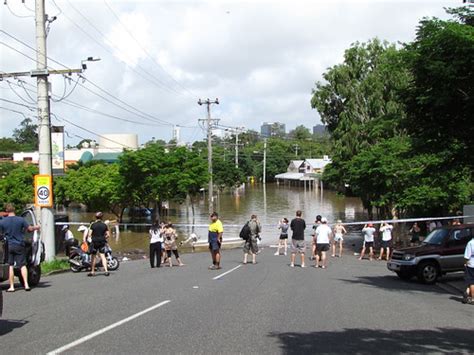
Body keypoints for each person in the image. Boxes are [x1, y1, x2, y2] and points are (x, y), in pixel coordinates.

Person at [0, 203, 40, 292]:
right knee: (22, 265)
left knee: (10, 265)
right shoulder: (21, 220)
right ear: (14, 210)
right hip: (19, 245)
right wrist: (36, 227)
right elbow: (29, 229)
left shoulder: (2, 222)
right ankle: (26, 285)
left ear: (6, 211)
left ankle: (11, 287)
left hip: (8, 246)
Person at [87, 212, 110, 277]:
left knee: (93, 256)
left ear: (95, 217)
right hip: (102, 242)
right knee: (103, 256)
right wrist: (103, 237)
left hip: (95, 242)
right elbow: (108, 235)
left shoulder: (93, 224)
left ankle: (92, 271)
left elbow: (89, 234)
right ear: (102, 217)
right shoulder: (104, 225)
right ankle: (106, 271)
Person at [462, 233, 474, 305]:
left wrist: (465, 263)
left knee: (471, 281)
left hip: (471, 264)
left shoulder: (470, 243)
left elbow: (467, 256)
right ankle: (467, 293)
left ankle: (472, 298)